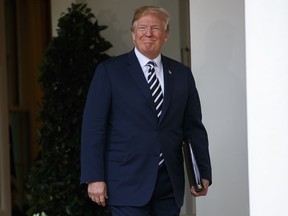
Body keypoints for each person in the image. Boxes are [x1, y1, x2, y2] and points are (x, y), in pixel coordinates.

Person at [81, 5, 212, 216]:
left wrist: (202, 172)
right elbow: (93, 128)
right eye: (142, 27)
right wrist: (94, 177)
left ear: (166, 35)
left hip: (169, 181)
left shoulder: (181, 75)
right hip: (126, 180)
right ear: (133, 34)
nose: (148, 33)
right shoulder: (110, 72)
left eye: (155, 28)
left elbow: (193, 127)